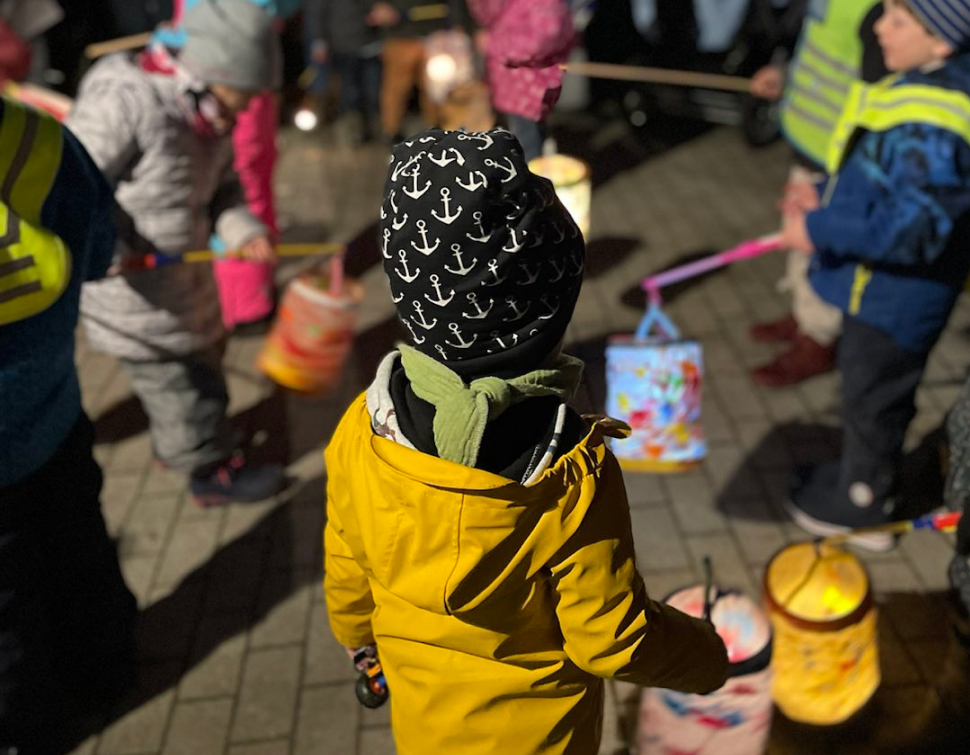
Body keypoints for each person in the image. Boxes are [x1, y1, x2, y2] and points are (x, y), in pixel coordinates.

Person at [323, 127, 729, 755]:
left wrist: (356, 635)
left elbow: (347, 556)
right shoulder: (568, 477)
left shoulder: (363, 428)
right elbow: (610, 638)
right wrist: (705, 656)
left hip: (424, 723)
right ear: (544, 325)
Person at [68, 0, 287, 506]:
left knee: (200, 370)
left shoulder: (209, 114)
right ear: (213, 69)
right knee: (185, 388)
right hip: (134, 296)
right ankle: (209, 472)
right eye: (245, 94)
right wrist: (113, 247)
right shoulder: (127, 102)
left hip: (182, 284)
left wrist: (241, 229)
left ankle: (182, 444)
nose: (248, 107)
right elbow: (76, 188)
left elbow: (223, 190)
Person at [781, 0, 970, 551]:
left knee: (873, 397)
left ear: (942, 41)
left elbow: (911, 228)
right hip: (883, 294)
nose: (878, 26)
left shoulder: (934, 118)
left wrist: (818, 230)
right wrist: (825, 195)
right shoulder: (926, 83)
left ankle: (864, 506)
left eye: (899, 19)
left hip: (893, 302)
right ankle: (861, 473)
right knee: (870, 393)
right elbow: (882, 179)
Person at [0, 97, 137, 754]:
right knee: (78, 546)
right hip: (51, 405)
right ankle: (107, 670)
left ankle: (30, 730)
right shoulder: (37, 136)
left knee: (6, 613)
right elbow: (97, 245)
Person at [747, 0, 886, 387]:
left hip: (840, 153)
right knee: (796, 235)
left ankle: (818, 337)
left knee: (822, 246)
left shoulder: (886, 10)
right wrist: (784, 74)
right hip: (810, 138)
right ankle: (802, 312)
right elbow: (813, 42)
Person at [154, 0, 304, 332]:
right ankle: (244, 302)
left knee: (239, 182)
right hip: (226, 75)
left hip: (239, 75)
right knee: (244, 180)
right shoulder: (137, 101)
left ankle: (244, 295)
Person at [466, 0, 574, 161]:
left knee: (526, 143)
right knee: (515, 138)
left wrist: (493, 43)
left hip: (530, 91)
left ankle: (531, 181)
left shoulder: (546, 5)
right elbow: (487, 14)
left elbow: (542, 41)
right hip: (508, 87)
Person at [366, 0, 471, 142]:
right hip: (400, 34)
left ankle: (439, 131)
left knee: (438, 87)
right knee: (396, 89)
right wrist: (376, 6)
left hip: (436, 33)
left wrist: (458, 23)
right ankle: (392, 133)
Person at [304, 0, 383, 144]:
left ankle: (375, 130)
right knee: (350, 92)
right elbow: (316, 12)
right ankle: (354, 131)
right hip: (343, 46)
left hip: (371, 45)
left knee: (373, 92)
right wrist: (319, 42)